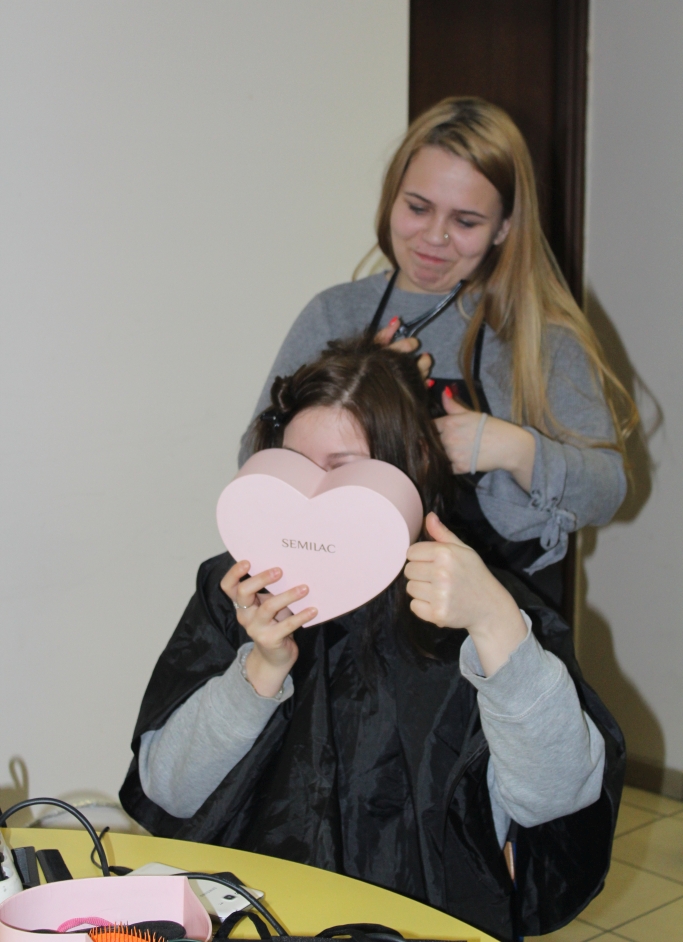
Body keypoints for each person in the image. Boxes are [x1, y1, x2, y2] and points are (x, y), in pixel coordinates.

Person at [120, 337, 624, 942]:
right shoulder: (237, 591)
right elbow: (168, 790)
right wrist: (259, 672)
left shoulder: (480, 605)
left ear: (412, 461)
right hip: (258, 916)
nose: (313, 497)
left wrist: (496, 626)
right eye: (295, 466)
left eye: (342, 467)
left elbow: (556, 798)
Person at [239, 97, 637, 610]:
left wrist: (517, 450)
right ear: (392, 198)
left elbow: (608, 492)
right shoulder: (334, 314)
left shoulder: (542, 336)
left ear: (504, 227)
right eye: (418, 208)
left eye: (466, 221)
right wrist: (355, 383)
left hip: (503, 623)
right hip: (352, 617)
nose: (434, 237)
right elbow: (256, 463)